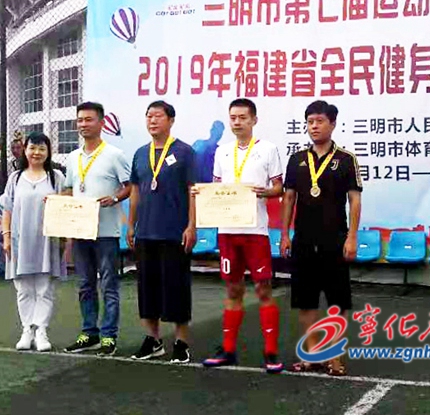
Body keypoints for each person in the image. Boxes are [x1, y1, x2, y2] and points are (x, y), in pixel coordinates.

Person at [201, 98, 285, 374]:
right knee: (233, 289)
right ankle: (228, 349)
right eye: (233, 118)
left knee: (263, 289)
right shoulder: (222, 152)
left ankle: (270, 351)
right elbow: (215, 188)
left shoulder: (268, 149)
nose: (237, 122)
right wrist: (202, 194)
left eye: (242, 117)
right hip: (227, 231)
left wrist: (264, 192)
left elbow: (279, 188)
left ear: (254, 120)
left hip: (255, 231)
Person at [280, 100, 362, 376]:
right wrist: (285, 234)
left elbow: (354, 200)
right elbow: (288, 198)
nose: (314, 126)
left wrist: (352, 237)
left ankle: (335, 357)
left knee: (337, 301)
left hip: (335, 239)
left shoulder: (346, 159)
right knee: (305, 300)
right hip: (303, 239)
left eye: (319, 121)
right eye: (310, 122)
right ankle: (311, 354)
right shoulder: (297, 160)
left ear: (332, 124)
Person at [127, 100, 197, 364]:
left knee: (177, 287)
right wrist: (131, 224)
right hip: (145, 231)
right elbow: (135, 190)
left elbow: (193, 190)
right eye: (149, 116)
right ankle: (153, 340)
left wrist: (191, 225)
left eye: (158, 116)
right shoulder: (140, 154)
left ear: (171, 120)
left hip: (174, 232)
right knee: (147, 288)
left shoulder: (185, 152)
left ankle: (181, 342)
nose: (152, 120)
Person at [62, 102, 131, 357]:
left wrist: (114, 198)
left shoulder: (114, 154)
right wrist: (59, 204)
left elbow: (129, 186)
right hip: (81, 231)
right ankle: (89, 333)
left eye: (89, 119)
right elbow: (69, 189)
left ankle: (109, 336)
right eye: (80, 120)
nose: (83, 124)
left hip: (106, 232)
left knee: (109, 284)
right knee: (85, 285)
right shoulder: (73, 157)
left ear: (101, 123)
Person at [1, 132, 66, 352]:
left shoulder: (56, 177)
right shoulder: (15, 178)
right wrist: (6, 237)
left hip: (48, 240)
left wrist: (64, 240)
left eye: (41, 148)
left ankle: (41, 331)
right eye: (32, 148)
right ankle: (27, 329)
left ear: (48, 152)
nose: (36, 152)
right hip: (20, 240)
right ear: (25, 150)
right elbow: (7, 209)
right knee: (23, 287)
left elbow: (67, 205)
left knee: (45, 288)